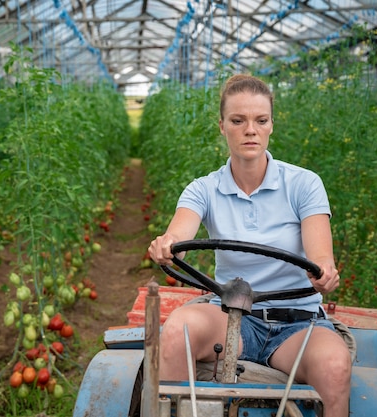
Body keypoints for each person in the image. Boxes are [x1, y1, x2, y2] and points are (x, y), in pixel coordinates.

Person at [147, 74, 352, 417]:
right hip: (230, 318)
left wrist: (324, 272)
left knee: (334, 365)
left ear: (272, 125)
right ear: (222, 126)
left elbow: (320, 257)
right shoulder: (203, 189)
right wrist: (168, 245)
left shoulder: (303, 184)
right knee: (176, 332)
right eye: (238, 121)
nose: (250, 130)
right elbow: (178, 237)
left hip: (297, 324)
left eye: (260, 120)